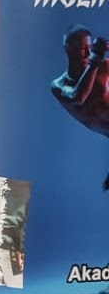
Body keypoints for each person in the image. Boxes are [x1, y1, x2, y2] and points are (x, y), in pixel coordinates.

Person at [51, 24, 109, 189]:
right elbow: (78, 98)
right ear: (68, 49)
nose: (87, 53)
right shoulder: (59, 85)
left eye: (90, 48)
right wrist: (95, 59)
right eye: (82, 49)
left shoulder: (104, 66)